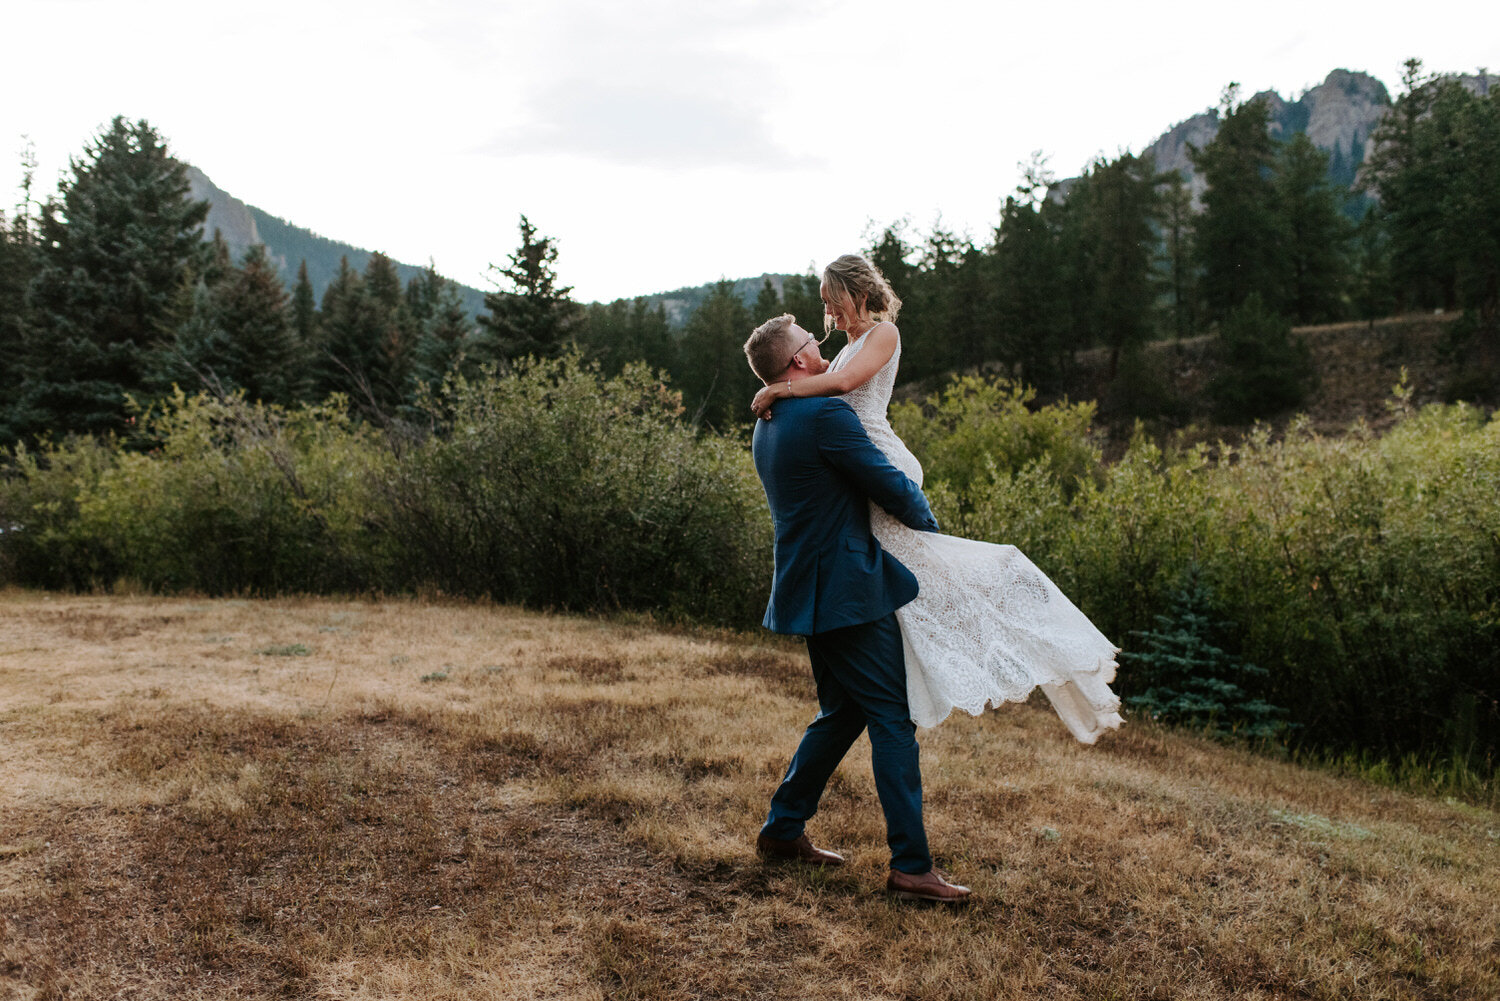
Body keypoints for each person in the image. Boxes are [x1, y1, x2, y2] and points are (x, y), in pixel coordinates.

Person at [750, 255, 1124, 743]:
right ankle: (922, 662)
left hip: (883, 462)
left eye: (830, 300)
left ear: (852, 292)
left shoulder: (884, 334)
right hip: (862, 463)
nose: (827, 312)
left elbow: (841, 386)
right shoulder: (844, 346)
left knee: (933, 577)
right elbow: (831, 389)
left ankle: (1001, 632)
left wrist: (780, 387)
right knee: (911, 578)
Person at [742, 313, 970, 904]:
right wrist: (928, 528)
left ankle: (782, 830)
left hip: (806, 587)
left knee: (842, 713)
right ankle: (911, 868)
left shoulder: (767, 423)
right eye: (812, 345)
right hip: (846, 591)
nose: (822, 350)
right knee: (892, 720)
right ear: (797, 362)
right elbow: (885, 481)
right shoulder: (824, 414)